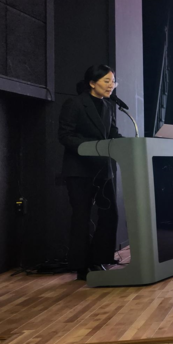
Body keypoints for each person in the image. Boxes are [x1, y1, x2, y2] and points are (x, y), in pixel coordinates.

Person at [58, 65, 123, 281]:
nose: (111, 85)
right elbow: (65, 136)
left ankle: (99, 259)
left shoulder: (109, 106)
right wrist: (93, 147)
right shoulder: (75, 104)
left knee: (110, 215)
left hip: (103, 169)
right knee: (82, 217)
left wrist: (133, 143)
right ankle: (81, 266)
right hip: (80, 170)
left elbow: (112, 134)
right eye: (106, 81)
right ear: (92, 83)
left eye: (113, 81)